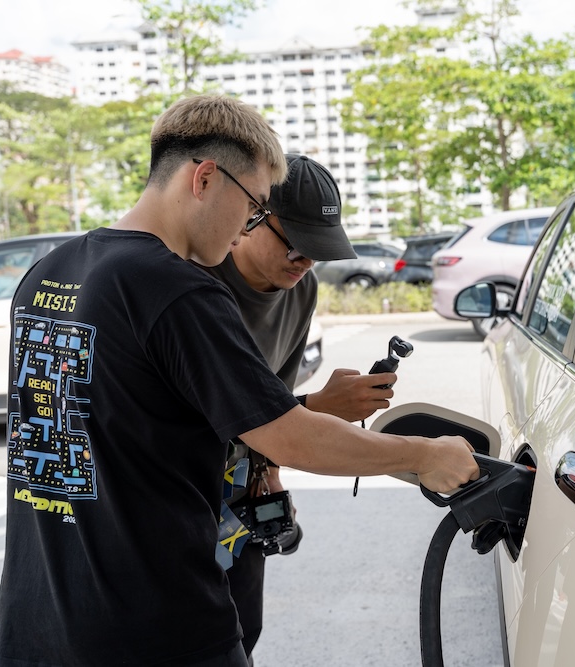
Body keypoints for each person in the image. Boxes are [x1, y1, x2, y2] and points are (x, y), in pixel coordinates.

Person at [0, 94, 479, 667]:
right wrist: (425, 454)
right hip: (153, 629)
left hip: (33, 625)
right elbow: (290, 435)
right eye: (252, 206)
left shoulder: (49, 272)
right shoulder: (177, 289)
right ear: (204, 178)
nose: (245, 226)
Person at [205, 153, 395, 664]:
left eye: (318, 251)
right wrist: (318, 407)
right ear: (250, 216)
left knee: (245, 631)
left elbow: (271, 393)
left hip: (240, 491)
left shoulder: (301, 290)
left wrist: (270, 471)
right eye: (294, 245)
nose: (304, 262)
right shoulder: (197, 287)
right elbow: (191, 419)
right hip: (180, 499)